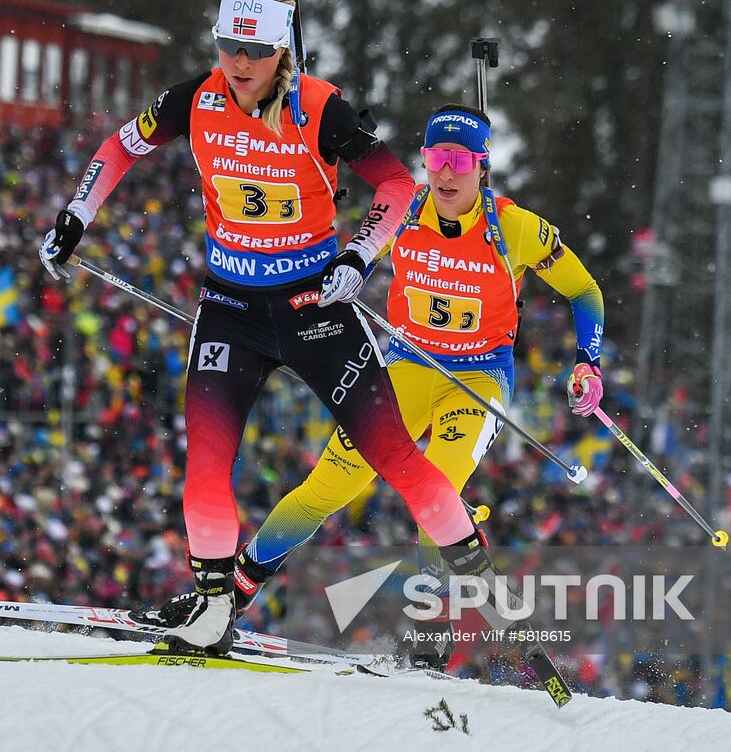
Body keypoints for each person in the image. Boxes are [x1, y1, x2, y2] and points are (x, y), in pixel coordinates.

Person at [38, 0, 483, 654]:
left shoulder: (319, 107)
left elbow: (397, 183)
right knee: (206, 465)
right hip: (230, 310)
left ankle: (475, 581)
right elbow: (122, 145)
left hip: (314, 307)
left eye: (253, 50)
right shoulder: (196, 97)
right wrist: (77, 213)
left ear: (281, 50)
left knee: (392, 452)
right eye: (226, 46)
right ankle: (213, 609)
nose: (238, 63)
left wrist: (358, 256)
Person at [229, 103, 607, 667]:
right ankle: (232, 590)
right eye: (435, 159)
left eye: (458, 161)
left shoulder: (517, 228)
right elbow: (336, 252)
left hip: (476, 379)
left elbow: (585, 291)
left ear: (482, 166)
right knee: (328, 488)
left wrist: (587, 362)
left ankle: (434, 634)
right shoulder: (403, 212)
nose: (445, 174)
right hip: (405, 367)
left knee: (435, 493)